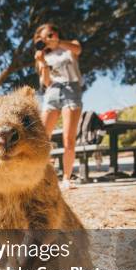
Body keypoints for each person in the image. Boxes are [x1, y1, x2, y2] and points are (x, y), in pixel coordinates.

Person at [34, 23, 83, 189]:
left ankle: (67, 178)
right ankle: (42, 177)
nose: (47, 39)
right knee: (41, 137)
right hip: (52, 92)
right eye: (42, 37)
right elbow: (46, 82)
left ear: (56, 33)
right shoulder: (43, 56)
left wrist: (57, 42)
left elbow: (77, 50)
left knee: (68, 138)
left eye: (50, 34)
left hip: (71, 89)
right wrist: (42, 63)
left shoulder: (69, 46)